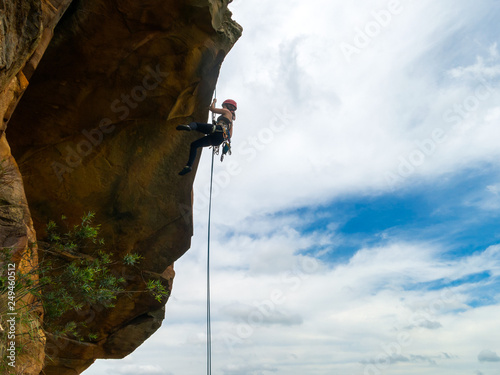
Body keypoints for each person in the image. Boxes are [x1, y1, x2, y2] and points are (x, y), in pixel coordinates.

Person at [177, 98, 237, 175]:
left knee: (196, 124)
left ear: (227, 106)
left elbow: (212, 109)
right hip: (218, 140)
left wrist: (214, 102)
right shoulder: (231, 122)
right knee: (194, 145)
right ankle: (188, 166)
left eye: (224, 106)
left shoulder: (226, 111)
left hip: (217, 130)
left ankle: (189, 127)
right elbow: (230, 135)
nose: (223, 107)